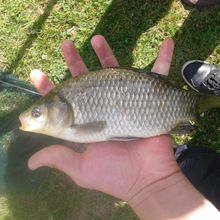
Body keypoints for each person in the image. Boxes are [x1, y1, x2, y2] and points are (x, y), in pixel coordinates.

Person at [28, 35, 220, 219]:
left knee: (199, 169)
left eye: (37, 113)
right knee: (203, 169)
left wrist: (156, 186)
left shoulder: (72, 125)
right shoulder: (67, 111)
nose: (33, 118)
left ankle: (198, 110)